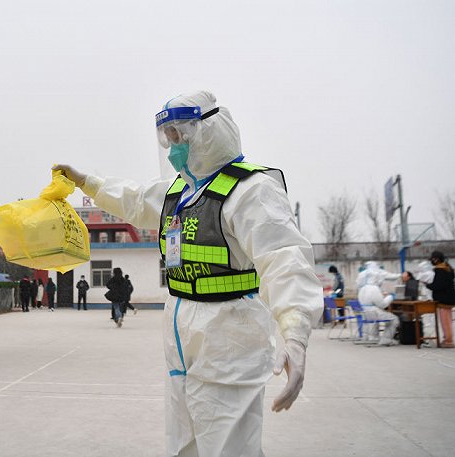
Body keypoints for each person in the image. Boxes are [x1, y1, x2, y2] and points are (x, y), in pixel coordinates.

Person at [54, 90, 322, 456]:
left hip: (230, 343)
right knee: (184, 446)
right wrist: (87, 182)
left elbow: (285, 258)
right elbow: (135, 199)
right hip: (181, 343)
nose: (172, 146)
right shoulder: (180, 192)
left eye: (178, 135)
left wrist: (295, 331)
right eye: (167, 137)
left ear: (207, 131)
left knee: (228, 448)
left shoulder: (250, 190)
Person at [356, 261, 401, 345]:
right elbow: (383, 305)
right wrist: (391, 296)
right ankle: (386, 339)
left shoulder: (362, 289)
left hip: (367, 314)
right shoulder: (374, 288)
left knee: (380, 317)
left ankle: (373, 337)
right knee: (394, 319)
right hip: (374, 313)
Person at [424, 251, 455, 348]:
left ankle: (449, 341)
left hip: (444, 300)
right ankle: (448, 338)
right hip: (449, 298)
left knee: (445, 321)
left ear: (436, 259)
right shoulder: (448, 268)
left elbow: (438, 285)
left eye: (433, 259)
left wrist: (428, 285)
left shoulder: (440, 270)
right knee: (448, 320)